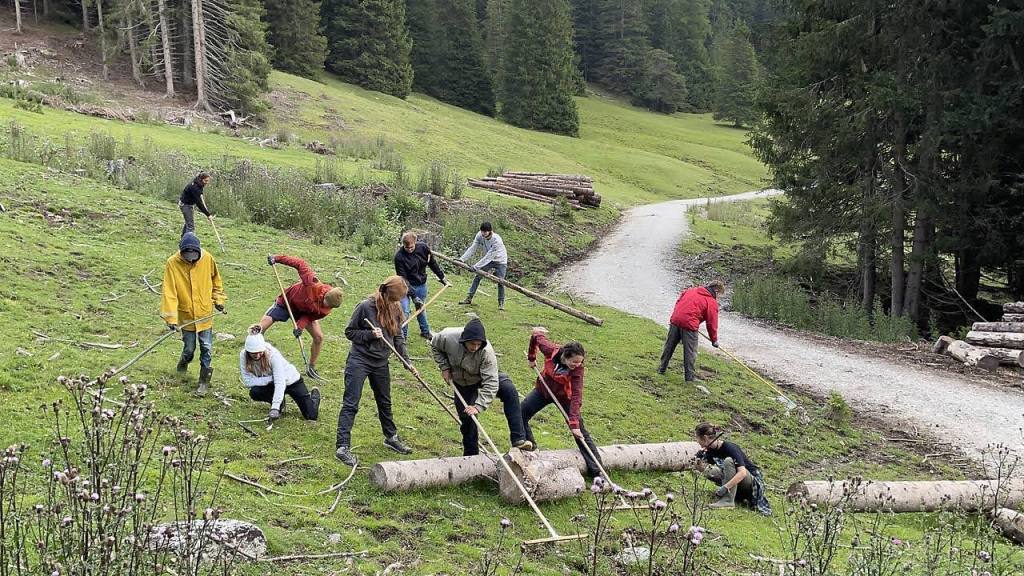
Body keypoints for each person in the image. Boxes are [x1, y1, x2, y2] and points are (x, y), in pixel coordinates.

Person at [335, 276, 417, 466]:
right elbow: (350, 332)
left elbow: (398, 338)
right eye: (395, 299)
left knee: (384, 402)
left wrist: (407, 362)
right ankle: (342, 447)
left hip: (381, 362)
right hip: (360, 360)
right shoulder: (365, 306)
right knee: (351, 403)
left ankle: (391, 437)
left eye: (399, 300)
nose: (396, 302)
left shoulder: (396, 308)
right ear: (387, 294)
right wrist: (370, 334)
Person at [430, 318, 533, 456]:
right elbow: (434, 345)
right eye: (472, 344)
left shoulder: (486, 352)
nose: (475, 347)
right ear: (464, 340)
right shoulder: (446, 337)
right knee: (467, 418)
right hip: (461, 381)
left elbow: (491, 382)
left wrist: (478, 406)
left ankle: (519, 438)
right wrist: (444, 367)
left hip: (481, 375)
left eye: (478, 344)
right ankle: (471, 456)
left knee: (509, 390)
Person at [523, 327, 602, 478]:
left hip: (564, 397)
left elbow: (577, 395)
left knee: (580, 433)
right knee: (521, 412)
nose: (577, 365)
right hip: (543, 391)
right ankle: (531, 449)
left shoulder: (578, 370)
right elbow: (536, 335)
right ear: (565, 356)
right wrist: (531, 357)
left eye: (580, 362)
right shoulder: (550, 350)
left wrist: (574, 423)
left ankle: (597, 471)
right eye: (574, 362)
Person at [160, 232, 226, 395]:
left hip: (204, 314)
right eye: (187, 257)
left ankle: (203, 381)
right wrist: (170, 318)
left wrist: (218, 300)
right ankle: (183, 362)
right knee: (189, 348)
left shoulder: (208, 258)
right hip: (186, 316)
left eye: (194, 257)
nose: (191, 260)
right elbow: (169, 291)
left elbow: (216, 281)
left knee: (206, 347)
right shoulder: (172, 263)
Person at [260, 254, 344, 380]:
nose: (325, 306)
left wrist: (300, 327)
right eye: (326, 302)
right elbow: (300, 263)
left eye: (329, 306)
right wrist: (276, 258)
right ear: (325, 294)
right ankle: (254, 351)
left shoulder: (326, 309)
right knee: (261, 327)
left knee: (319, 337)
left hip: (303, 312)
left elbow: (310, 316)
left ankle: (311, 367)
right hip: (287, 302)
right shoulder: (311, 283)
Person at [240, 327, 321, 421]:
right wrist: (271, 379)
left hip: (291, 381)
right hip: (272, 383)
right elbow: (247, 381)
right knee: (255, 392)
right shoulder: (243, 355)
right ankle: (280, 402)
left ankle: (314, 397)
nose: (257, 355)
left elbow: (280, 382)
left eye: (260, 352)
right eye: (253, 353)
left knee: (311, 416)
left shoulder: (273, 355)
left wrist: (274, 408)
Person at [693, 423, 771, 515]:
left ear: (705, 438)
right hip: (738, 484)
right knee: (710, 471)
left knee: (728, 461)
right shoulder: (710, 450)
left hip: (751, 483)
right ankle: (735, 496)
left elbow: (742, 473)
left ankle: (728, 501)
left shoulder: (730, 448)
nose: (698, 442)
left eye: (698, 439)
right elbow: (707, 470)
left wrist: (726, 487)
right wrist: (698, 464)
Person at [658, 280, 724, 381]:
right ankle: (689, 378)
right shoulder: (711, 302)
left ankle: (661, 368)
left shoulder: (690, 290)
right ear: (716, 290)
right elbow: (712, 323)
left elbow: (678, 302)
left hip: (676, 320)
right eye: (719, 295)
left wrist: (676, 318)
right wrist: (714, 340)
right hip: (689, 326)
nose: (718, 298)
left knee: (669, 346)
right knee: (690, 352)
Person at [394, 231, 449, 340]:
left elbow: (432, 263)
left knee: (421, 308)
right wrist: (414, 296)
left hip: (420, 285)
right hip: (404, 287)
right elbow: (403, 279)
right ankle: (402, 337)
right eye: (407, 248)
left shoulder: (423, 248)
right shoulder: (399, 257)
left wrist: (442, 277)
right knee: (404, 312)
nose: (409, 250)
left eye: (411, 247)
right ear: (403, 245)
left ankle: (425, 331)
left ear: (415, 242)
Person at [458, 222, 508, 310]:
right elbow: (473, 248)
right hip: (488, 260)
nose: (483, 233)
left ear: (490, 231)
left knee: (501, 281)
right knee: (478, 277)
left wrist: (476, 267)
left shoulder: (497, 240)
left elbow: (489, 256)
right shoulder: (479, 235)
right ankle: (469, 298)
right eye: (482, 231)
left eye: (485, 232)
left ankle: (501, 303)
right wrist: (462, 259)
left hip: (500, 260)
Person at [179, 172, 212, 237]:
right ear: (201, 179)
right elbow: (199, 203)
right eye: (206, 180)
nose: (207, 182)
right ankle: (188, 241)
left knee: (188, 222)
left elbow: (200, 192)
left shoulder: (199, 183)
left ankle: (183, 239)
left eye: (208, 181)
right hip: (185, 205)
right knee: (190, 226)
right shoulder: (194, 187)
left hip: (189, 204)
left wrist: (200, 193)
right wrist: (208, 215)